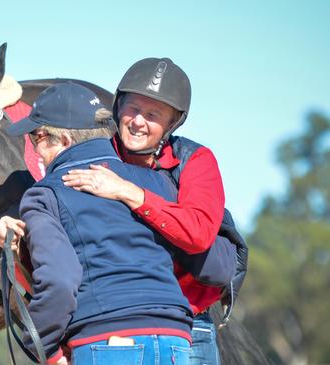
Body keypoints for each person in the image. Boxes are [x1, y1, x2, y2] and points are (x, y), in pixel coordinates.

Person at [62, 58, 248, 365]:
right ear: (118, 107)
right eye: (133, 108)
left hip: (190, 325)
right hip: (112, 324)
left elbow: (199, 234)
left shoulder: (196, 160)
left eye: (152, 115)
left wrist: (129, 192)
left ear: (171, 124)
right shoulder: (93, 158)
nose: (138, 121)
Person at [0, 82, 193, 365]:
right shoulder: (156, 182)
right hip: (176, 339)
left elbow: (59, 280)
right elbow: (209, 264)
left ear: (63, 140)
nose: (35, 151)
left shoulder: (44, 195)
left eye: (36, 138)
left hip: (106, 341)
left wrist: (42, 347)